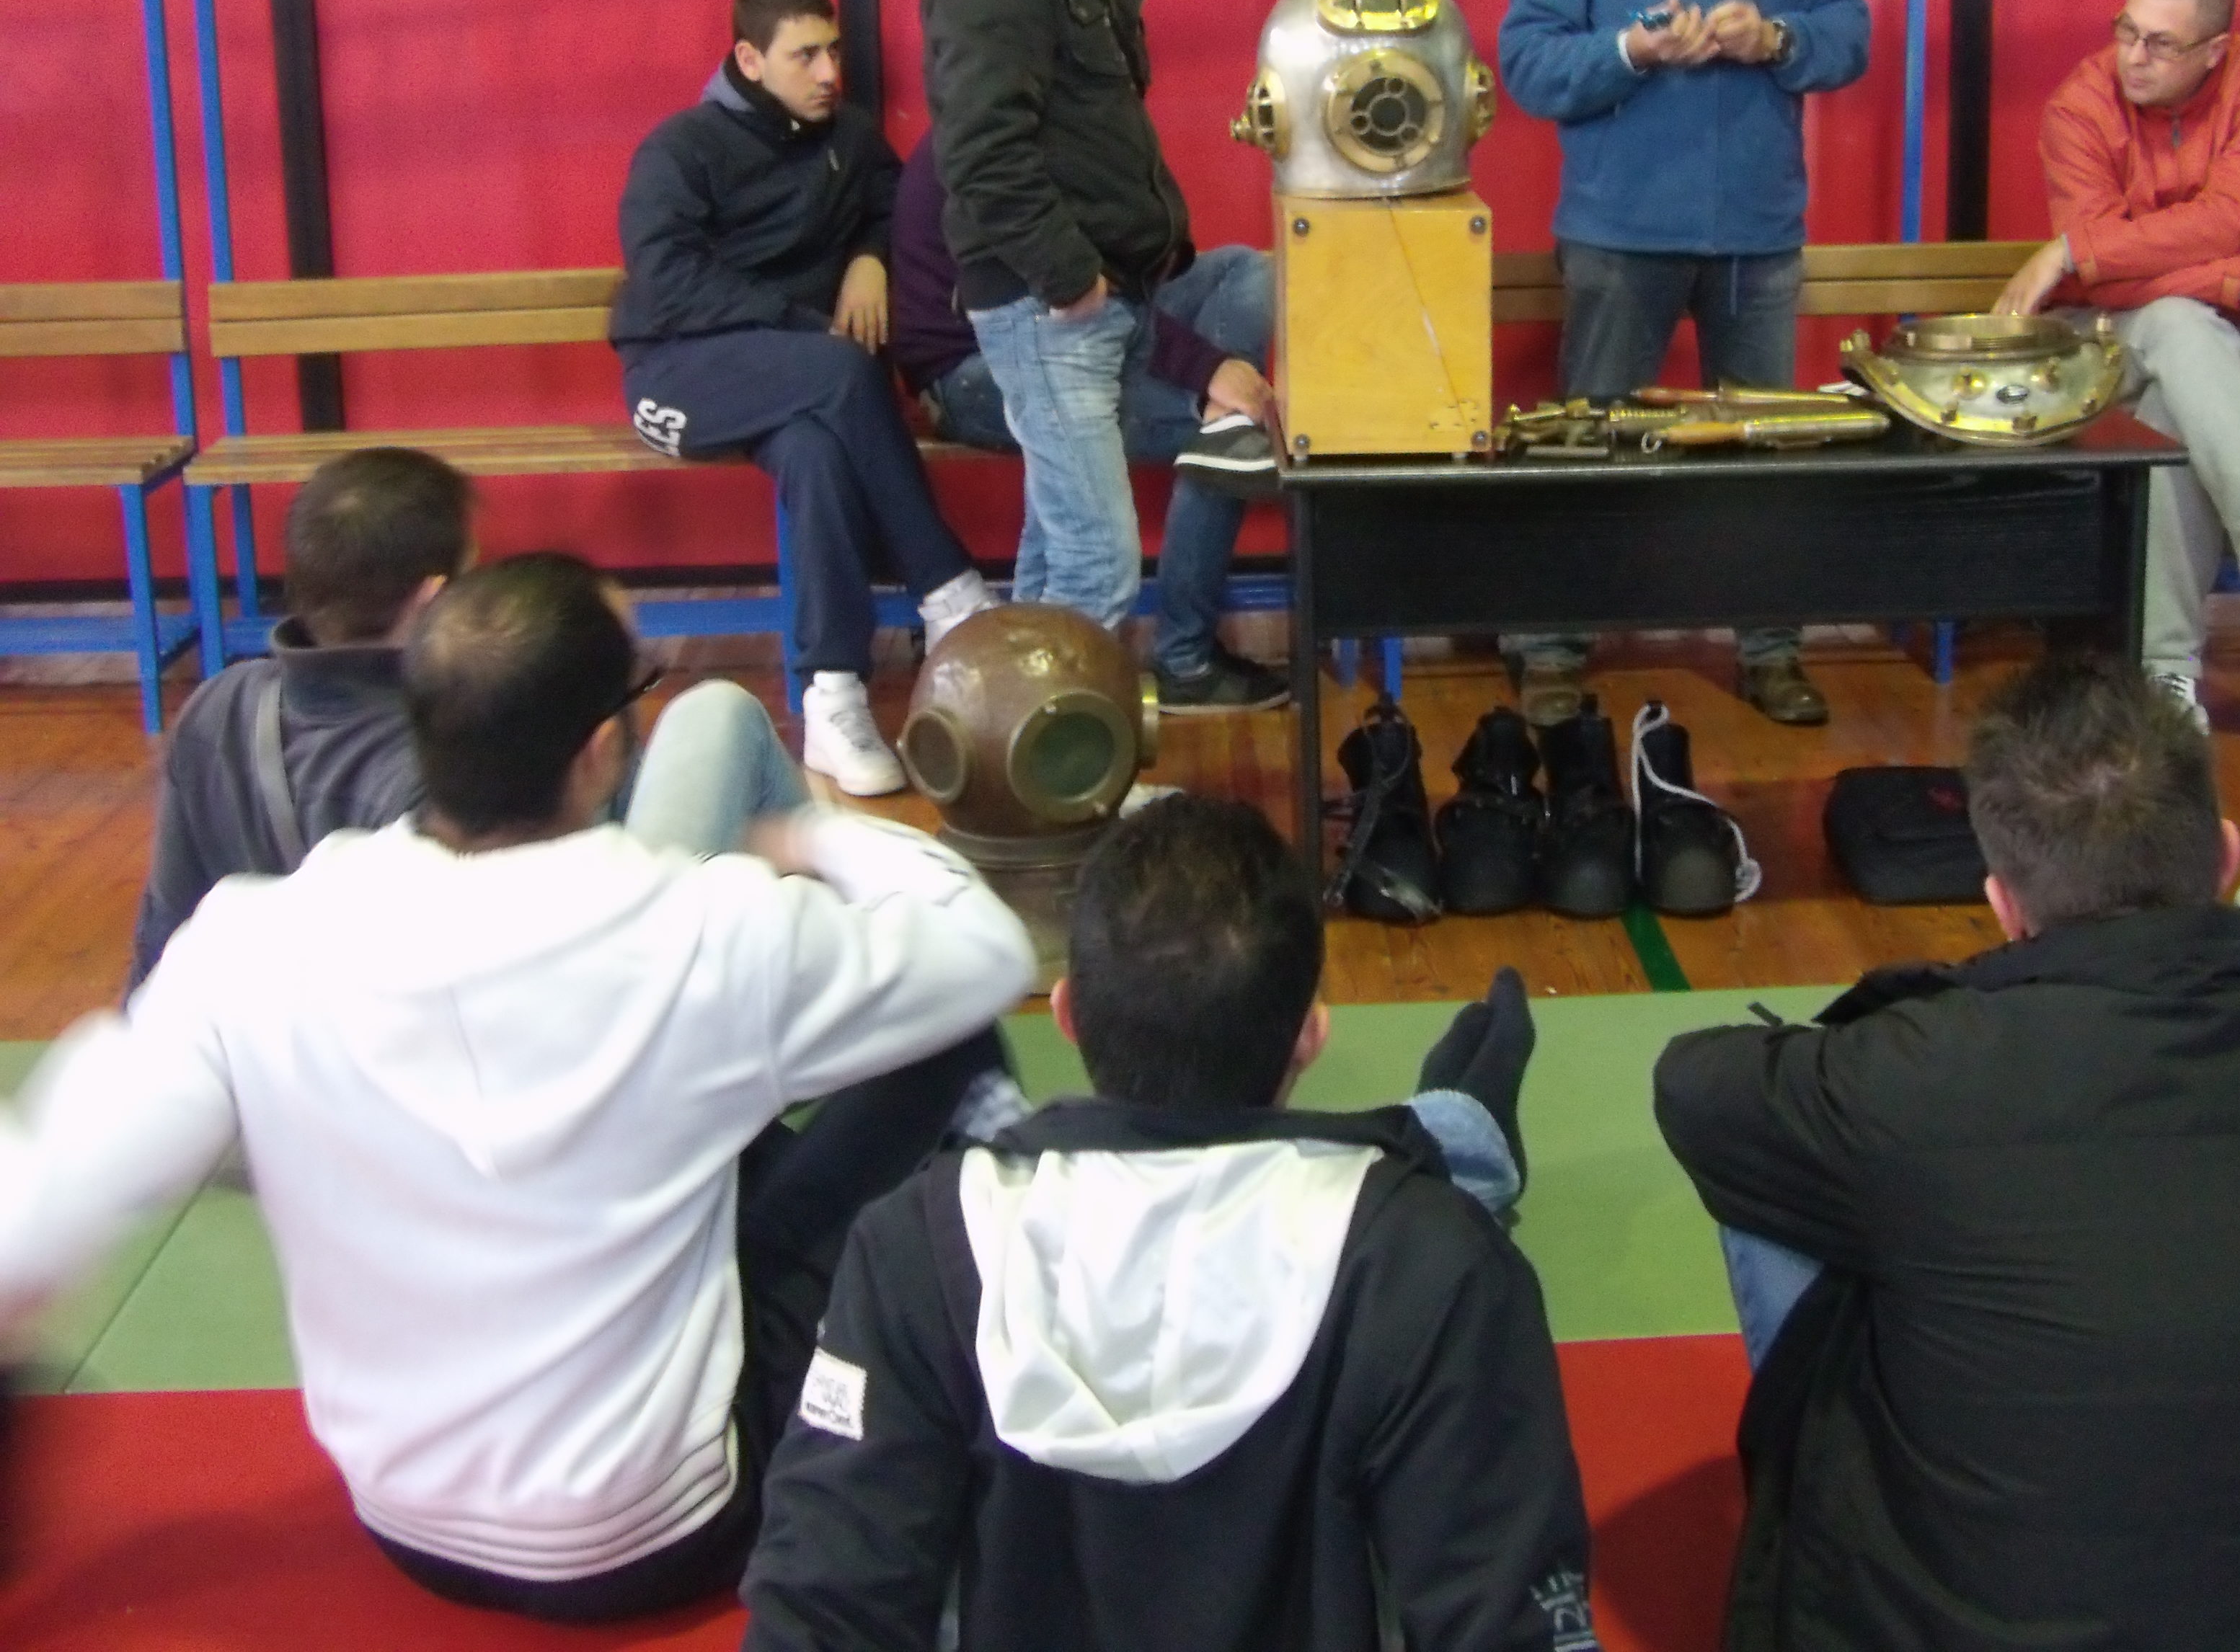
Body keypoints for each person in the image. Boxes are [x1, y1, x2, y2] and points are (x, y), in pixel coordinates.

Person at [0, 555, 1034, 1622]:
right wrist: (819, 833)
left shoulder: (251, 938)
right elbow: (985, 952)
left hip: (406, 1525)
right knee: (939, 1044)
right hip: (679, 1528)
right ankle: (1023, 1339)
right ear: (598, 755)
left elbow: (42, 1197)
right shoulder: (707, 926)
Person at [1652, 652, 2240, 1652]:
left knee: (1805, 1176)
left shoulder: (1915, 1078)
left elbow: (1695, 1085)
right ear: (2227, 856)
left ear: (2003, 904)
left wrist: (1932, 1007)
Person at [740, 796, 1593, 1652]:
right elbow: (1510, 1621)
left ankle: (1462, 1122)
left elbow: (819, 1606)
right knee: (1441, 1183)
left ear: (1066, 1014)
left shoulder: (913, 1248)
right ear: (1310, 1035)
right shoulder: (1436, 1268)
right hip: (1406, 1251)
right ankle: (1465, 1121)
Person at [1497, 0, 1873, 728]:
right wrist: (1632, 49)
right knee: (1591, 449)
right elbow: (1527, 64)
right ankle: (1551, 650)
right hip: (1620, 234)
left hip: (1760, 232)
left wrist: (1778, 38)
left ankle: (1770, 650)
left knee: (1765, 459)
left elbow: (1848, 31)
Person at [921, 0, 1290, 711]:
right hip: (1050, 305)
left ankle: (1010, 759)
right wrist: (1070, 279)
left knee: (1057, 559)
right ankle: (1069, 779)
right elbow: (981, 150)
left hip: (1101, 296)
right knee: (1095, 567)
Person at [614, 0, 995, 798]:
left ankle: (832, 696)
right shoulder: (681, 148)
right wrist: (802, 324)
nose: (828, 73)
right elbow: (667, 281)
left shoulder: (847, 138)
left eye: (833, 52)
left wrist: (869, 259)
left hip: (803, 383)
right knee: (841, 368)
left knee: (816, 454)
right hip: (678, 374)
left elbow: (896, 208)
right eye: (805, 56)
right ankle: (949, 590)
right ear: (750, 60)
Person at [1994, 0, 2240, 723]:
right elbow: (2109, 282)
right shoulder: (2080, 105)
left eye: (2160, 43)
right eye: (2126, 31)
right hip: (2104, 335)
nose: (2133, 56)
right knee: (2173, 323)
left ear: (2214, 49)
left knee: (2174, 410)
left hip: (2226, 344)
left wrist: (2072, 252)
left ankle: (2166, 675)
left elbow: (2223, 221)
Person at [886, 149, 1288, 712]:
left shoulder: (1054, 128)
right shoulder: (999, 148)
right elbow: (1058, 302)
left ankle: (1221, 422)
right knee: (1234, 432)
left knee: (1243, 272)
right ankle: (1184, 661)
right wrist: (1205, 372)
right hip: (975, 370)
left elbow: (1113, 285)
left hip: (1067, 327)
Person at [131, 445, 472, 986]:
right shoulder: (451, 756)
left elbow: (166, 935)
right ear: (434, 597)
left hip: (238, 1029)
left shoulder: (217, 706)